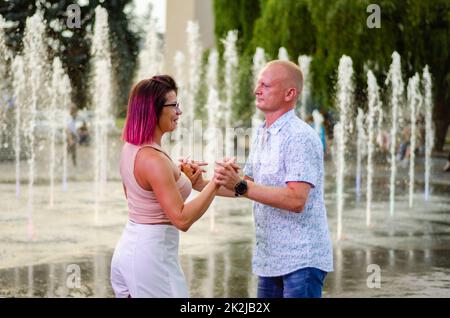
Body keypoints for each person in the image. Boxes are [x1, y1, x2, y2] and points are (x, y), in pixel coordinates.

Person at [214, 60, 333, 298]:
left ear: (290, 93)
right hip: (270, 260)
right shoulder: (263, 132)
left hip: (301, 260)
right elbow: (243, 186)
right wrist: (198, 183)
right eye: (258, 84)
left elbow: (296, 199)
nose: (257, 90)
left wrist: (239, 183)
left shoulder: (299, 136)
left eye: (266, 85)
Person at [110, 75, 222, 298]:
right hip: (152, 259)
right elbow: (181, 219)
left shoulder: (132, 148)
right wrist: (217, 182)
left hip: (131, 249)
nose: (179, 112)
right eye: (174, 105)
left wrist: (179, 177)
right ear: (154, 110)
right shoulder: (154, 160)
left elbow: (137, 195)